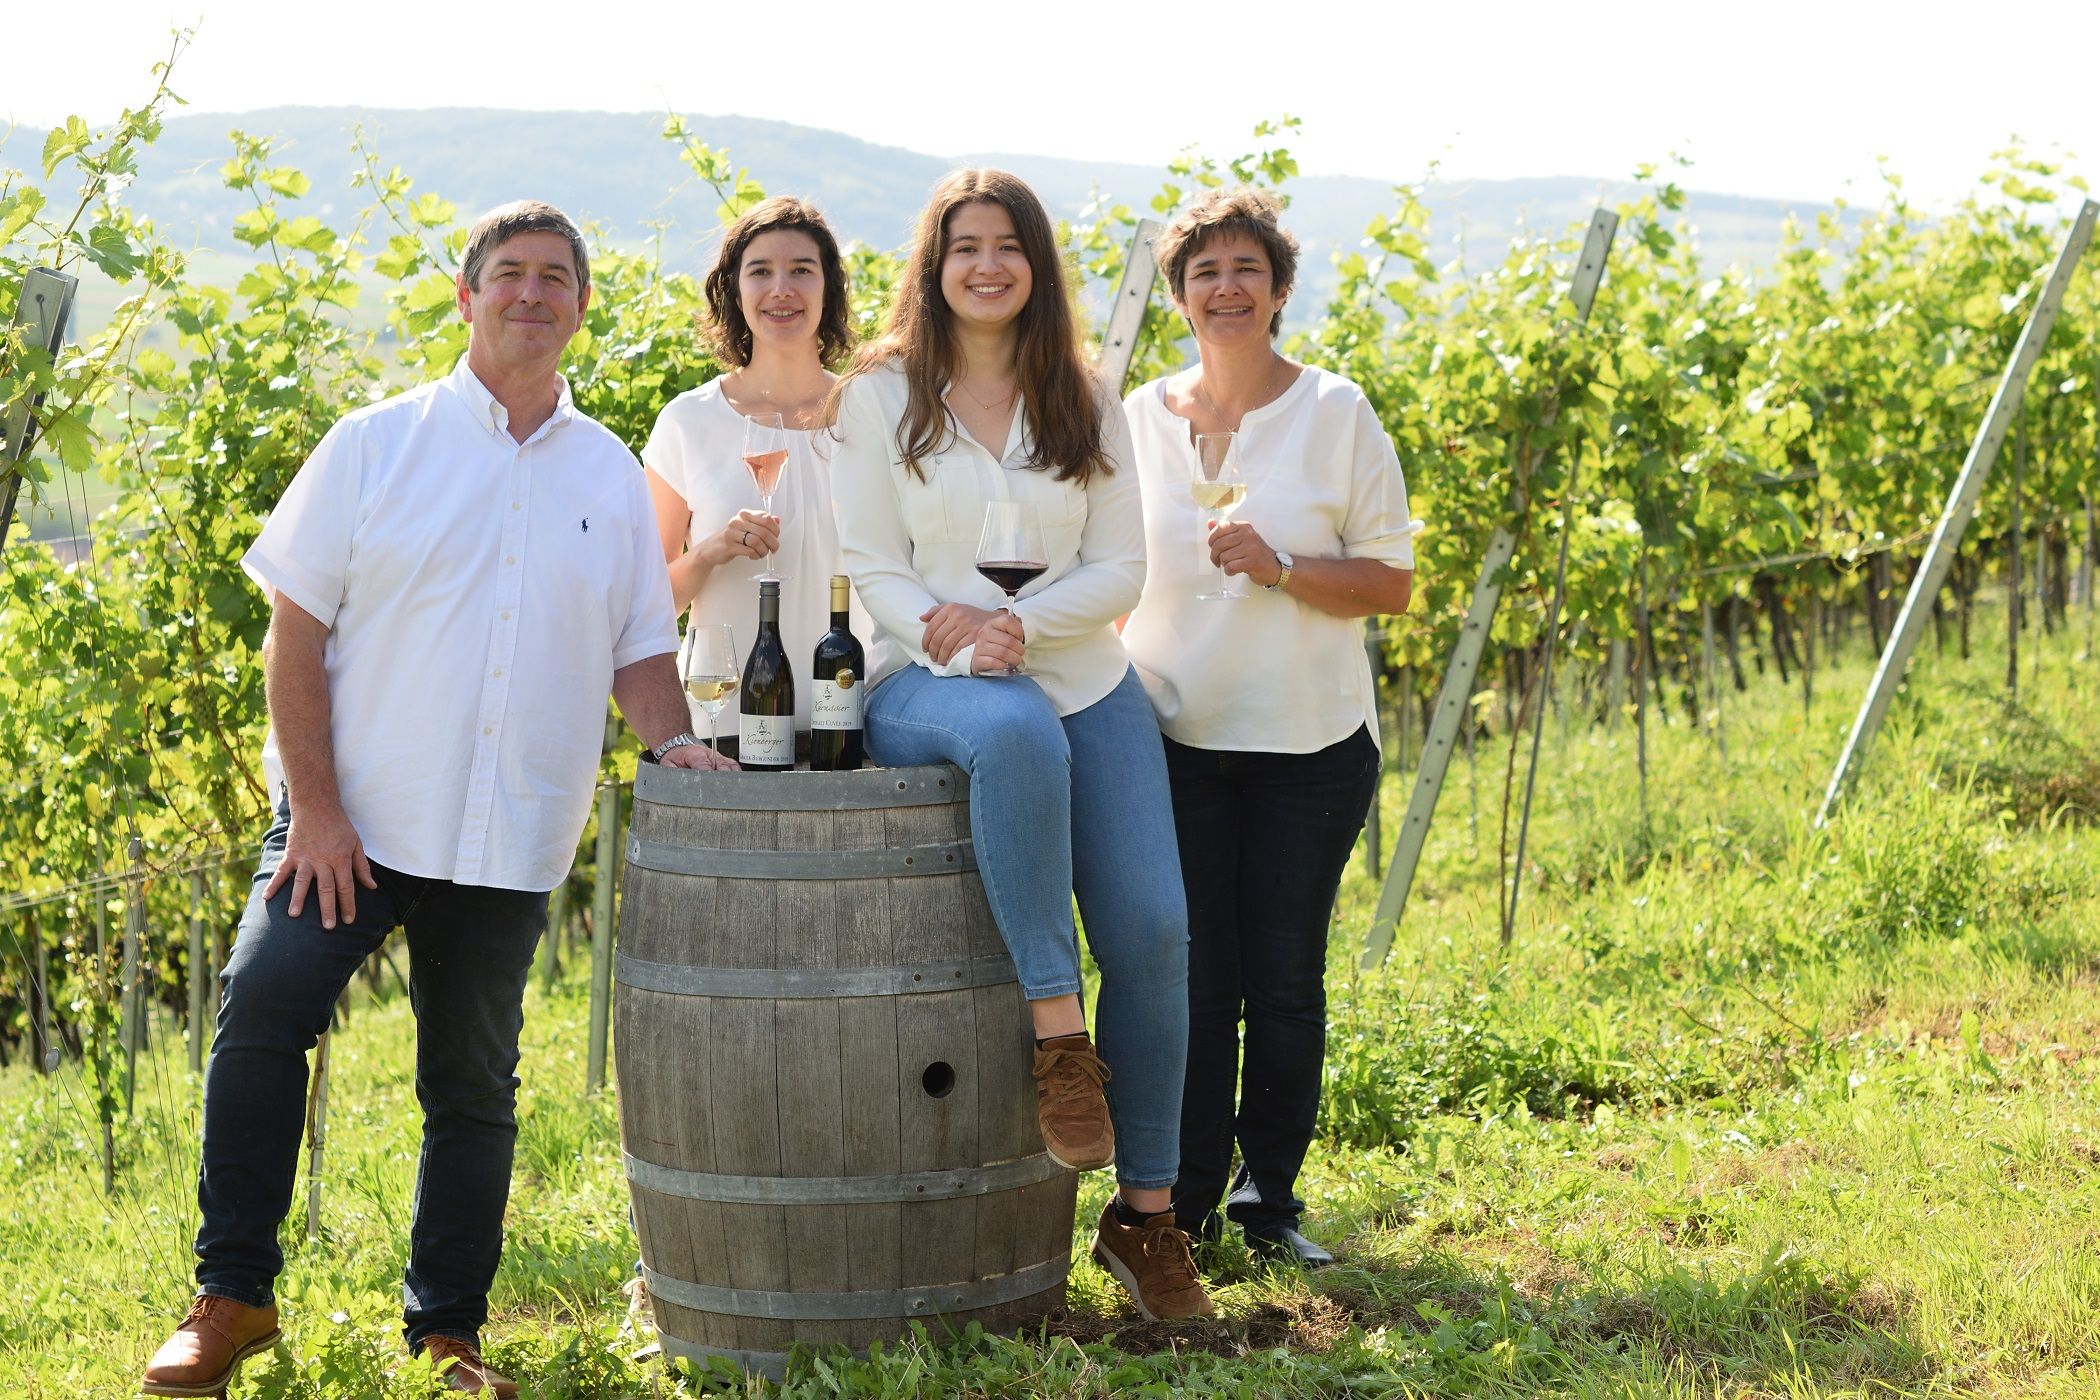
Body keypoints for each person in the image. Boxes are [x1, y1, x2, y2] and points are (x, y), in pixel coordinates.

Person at [140, 201, 733, 1400]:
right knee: (264, 1006)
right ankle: (234, 1293)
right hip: (346, 825)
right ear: (465, 299)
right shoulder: (374, 444)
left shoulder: (611, 475)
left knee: (473, 1086)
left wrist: (674, 747)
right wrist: (313, 807)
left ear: (578, 304)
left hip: (510, 832)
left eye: (556, 277)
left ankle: (448, 1332)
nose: (532, 293)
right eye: (508, 274)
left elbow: (635, 651)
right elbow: (292, 629)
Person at [826, 169, 1212, 1322]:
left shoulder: (1087, 394)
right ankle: (1059, 1029)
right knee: (1014, 731)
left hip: (1080, 670)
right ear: (933, 267)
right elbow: (871, 558)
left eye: (1008, 246)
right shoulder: (879, 395)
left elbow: (1121, 568)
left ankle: (1146, 1220)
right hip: (924, 676)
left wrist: (1022, 625)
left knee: (1154, 930)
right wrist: (953, 634)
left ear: (1037, 266)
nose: (986, 265)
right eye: (964, 247)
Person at [1120, 187, 1415, 1269]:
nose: (1226, 288)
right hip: (1169, 737)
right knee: (1192, 975)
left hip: (1309, 744)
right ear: (1180, 298)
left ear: (1279, 289)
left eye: (1247, 269)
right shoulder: (1137, 419)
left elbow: (1390, 582)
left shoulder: (1335, 413)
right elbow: (1109, 571)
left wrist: (1284, 570)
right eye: (1205, 272)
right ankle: (1186, 1199)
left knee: (1283, 979)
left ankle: (1268, 1198)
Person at [645, 196, 863, 740]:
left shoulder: (871, 420)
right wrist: (713, 551)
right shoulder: (688, 422)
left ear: (828, 288)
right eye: (760, 271)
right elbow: (646, 602)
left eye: (802, 271)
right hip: (727, 726)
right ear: (734, 291)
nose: (781, 288)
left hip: (858, 723)